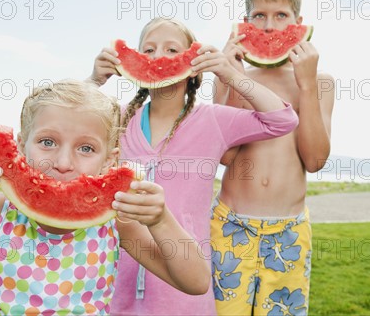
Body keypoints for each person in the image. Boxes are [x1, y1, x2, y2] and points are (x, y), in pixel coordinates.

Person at [0, 80, 210, 315]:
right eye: (47, 142)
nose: (64, 162)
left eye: (86, 148)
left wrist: (161, 220)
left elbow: (196, 282)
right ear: (20, 146)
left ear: (110, 161)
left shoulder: (116, 223)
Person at [87, 17, 299, 315]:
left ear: (194, 63)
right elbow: (65, 124)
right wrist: (93, 81)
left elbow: (282, 119)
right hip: (114, 279)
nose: (159, 57)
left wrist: (228, 72)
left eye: (172, 50)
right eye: (147, 50)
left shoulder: (213, 120)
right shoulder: (116, 117)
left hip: (185, 283)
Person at [210, 0, 335, 315]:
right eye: (258, 16)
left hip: (289, 230)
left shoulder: (319, 83)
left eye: (281, 15)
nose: (268, 26)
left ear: (300, 23)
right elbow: (224, 155)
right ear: (244, 23)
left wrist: (306, 86)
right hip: (231, 225)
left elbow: (315, 160)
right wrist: (231, 80)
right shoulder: (231, 78)